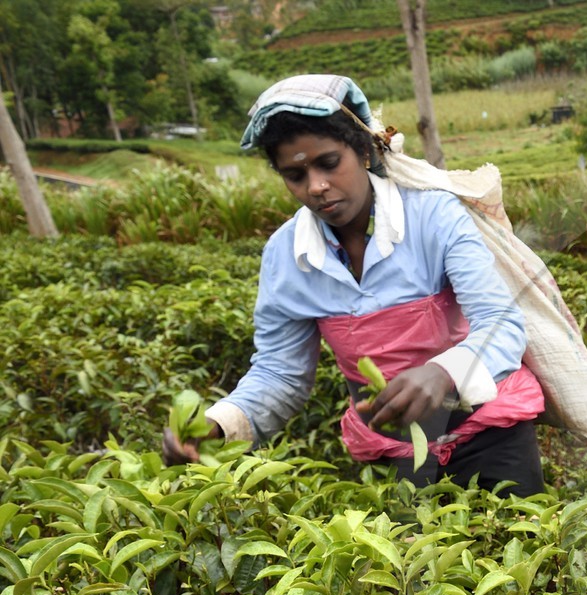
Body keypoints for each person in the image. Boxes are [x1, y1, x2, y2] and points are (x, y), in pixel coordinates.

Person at [162, 75, 547, 495]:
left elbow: (501, 323)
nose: (316, 187)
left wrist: (442, 373)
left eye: (328, 163)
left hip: (491, 433)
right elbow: (281, 373)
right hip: (393, 449)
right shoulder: (285, 255)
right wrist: (220, 424)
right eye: (295, 174)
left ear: (363, 149)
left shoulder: (433, 216)